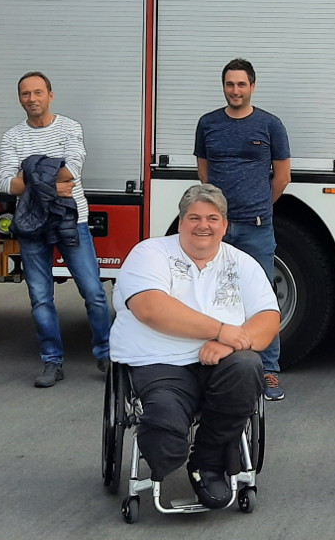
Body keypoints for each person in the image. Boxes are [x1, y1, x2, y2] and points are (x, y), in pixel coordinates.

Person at [109, 184, 278, 509]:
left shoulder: (242, 263)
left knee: (247, 365)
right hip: (159, 364)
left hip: (219, 365)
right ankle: (171, 450)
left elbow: (268, 320)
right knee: (165, 439)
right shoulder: (150, 253)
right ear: (181, 221)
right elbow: (150, 308)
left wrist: (228, 344)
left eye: (213, 218)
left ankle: (207, 463)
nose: (204, 225)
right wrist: (220, 329)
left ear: (225, 225)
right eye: (194, 217)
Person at [0, 72, 111, 387]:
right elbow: (8, 183)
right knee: (40, 297)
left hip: (71, 221)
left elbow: (71, 173)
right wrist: (46, 177)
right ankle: (52, 362)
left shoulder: (70, 127)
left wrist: (31, 170)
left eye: (38, 92)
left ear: (50, 95)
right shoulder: (12, 136)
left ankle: (106, 354)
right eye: (25, 94)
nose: (32, 99)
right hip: (32, 225)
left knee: (94, 292)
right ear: (19, 98)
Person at [195, 58, 291, 401]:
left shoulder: (270, 125)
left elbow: (282, 177)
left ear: (252, 86)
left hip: (256, 229)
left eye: (241, 84)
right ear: (223, 87)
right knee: (210, 297)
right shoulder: (208, 124)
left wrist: (259, 207)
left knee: (262, 301)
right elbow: (204, 175)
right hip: (217, 230)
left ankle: (269, 371)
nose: (235, 90)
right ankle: (214, 367)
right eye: (230, 84)